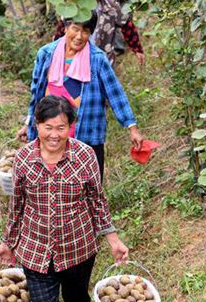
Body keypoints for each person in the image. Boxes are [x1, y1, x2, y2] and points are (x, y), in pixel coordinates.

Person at [0, 95, 129, 302]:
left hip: (77, 247)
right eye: (48, 127)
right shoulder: (24, 159)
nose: (54, 135)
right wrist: (8, 242)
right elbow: (17, 205)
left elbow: (96, 201)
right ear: (37, 125)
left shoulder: (84, 156)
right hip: (35, 248)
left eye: (61, 127)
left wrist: (113, 239)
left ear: (71, 126)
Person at [16, 12, 143, 181]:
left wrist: (132, 127)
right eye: (75, 29)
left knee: (89, 184)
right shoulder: (46, 54)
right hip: (52, 134)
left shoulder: (97, 59)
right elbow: (36, 92)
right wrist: (28, 123)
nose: (79, 36)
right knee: (51, 182)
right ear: (66, 28)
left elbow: (115, 93)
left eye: (86, 31)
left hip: (86, 132)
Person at [52, 0, 145, 66]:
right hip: (76, 58)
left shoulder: (110, 7)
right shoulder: (76, 6)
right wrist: (55, 46)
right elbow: (63, 26)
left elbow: (127, 26)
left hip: (102, 57)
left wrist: (137, 49)